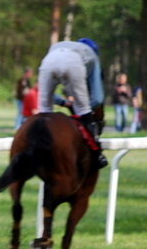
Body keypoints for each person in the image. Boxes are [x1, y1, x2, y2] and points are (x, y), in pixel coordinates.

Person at [37, 38, 107, 169]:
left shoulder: (60, 45)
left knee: (44, 111)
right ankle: (97, 155)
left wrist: (63, 103)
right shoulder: (92, 56)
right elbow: (98, 98)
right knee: (83, 109)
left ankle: (36, 148)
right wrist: (81, 109)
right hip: (73, 63)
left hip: (49, 60)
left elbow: (44, 91)